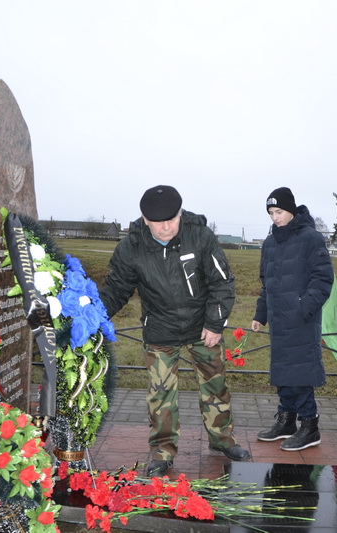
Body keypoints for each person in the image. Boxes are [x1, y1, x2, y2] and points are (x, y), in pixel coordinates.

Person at [100, 185, 250, 477]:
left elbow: (222, 281)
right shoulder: (131, 247)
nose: (166, 226)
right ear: (145, 219)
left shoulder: (200, 235)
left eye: (172, 218)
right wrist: (93, 316)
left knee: (215, 385)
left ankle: (222, 439)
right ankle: (162, 450)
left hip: (203, 326)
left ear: (181, 213)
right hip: (160, 328)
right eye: (158, 222)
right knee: (160, 394)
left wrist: (215, 323)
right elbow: (117, 289)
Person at [251, 187, 334, 451]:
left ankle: (310, 426)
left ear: (291, 210)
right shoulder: (270, 243)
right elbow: (267, 283)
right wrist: (260, 315)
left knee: (300, 372)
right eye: (271, 213)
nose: (275, 217)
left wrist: (302, 309)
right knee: (283, 371)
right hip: (278, 319)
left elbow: (322, 279)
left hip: (301, 319)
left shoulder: (311, 239)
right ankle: (286, 420)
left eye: (280, 212)